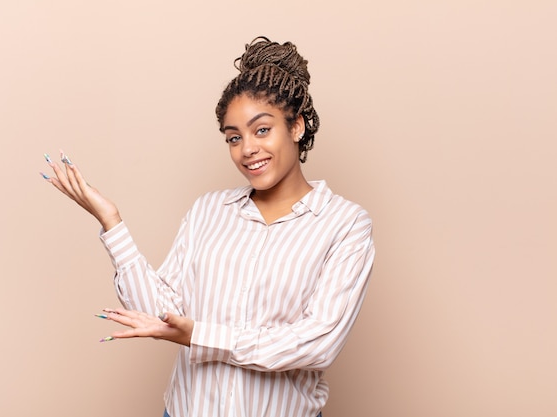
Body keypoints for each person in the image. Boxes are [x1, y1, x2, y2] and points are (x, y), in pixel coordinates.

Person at [42, 36, 375, 417]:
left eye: (261, 130)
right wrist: (111, 222)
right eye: (234, 137)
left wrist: (201, 335)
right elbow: (159, 315)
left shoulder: (345, 224)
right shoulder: (208, 211)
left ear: (296, 126)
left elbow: (317, 343)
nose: (247, 148)